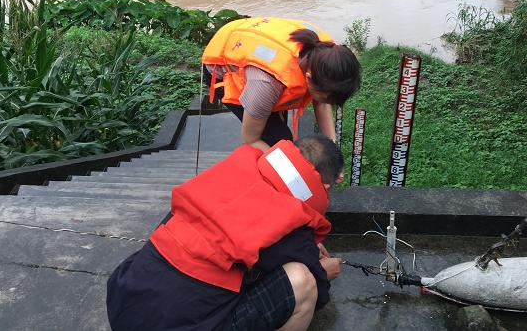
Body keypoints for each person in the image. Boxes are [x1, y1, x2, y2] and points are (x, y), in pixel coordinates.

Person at [106, 135, 344, 331]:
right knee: (304, 281)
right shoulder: (295, 222)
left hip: (124, 303)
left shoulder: (233, 168)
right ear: (324, 187)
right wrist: (323, 271)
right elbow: (321, 295)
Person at [202, 17, 361, 152]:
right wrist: (295, 166)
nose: (326, 103)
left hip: (252, 42)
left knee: (278, 132)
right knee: (279, 141)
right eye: (326, 98)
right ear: (309, 77)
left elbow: (322, 103)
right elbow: (250, 140)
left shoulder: (326, 54)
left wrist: (332, 146)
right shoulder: (266, 84)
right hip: (223, 68)